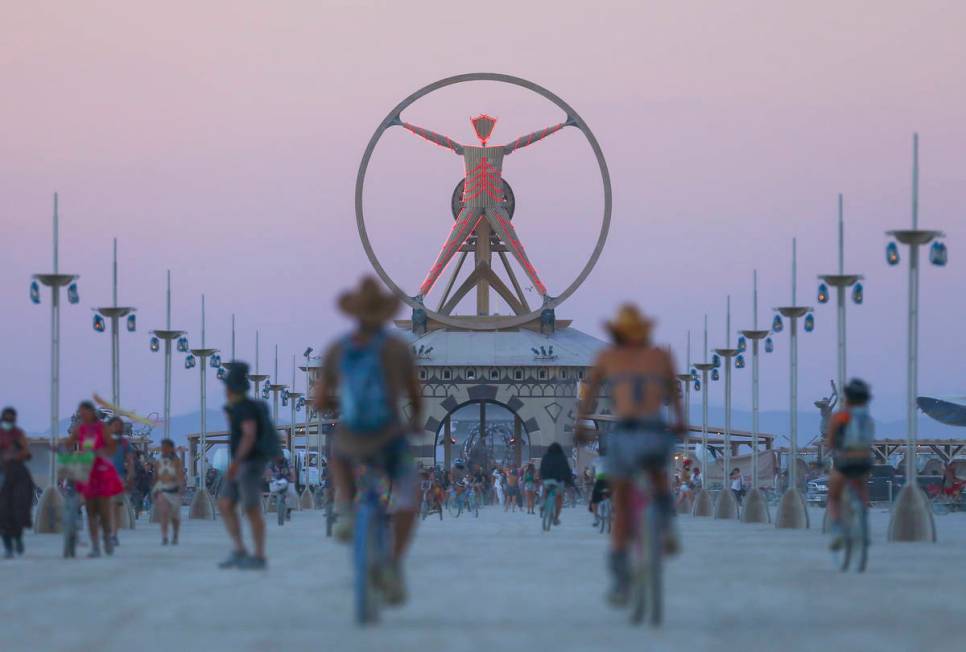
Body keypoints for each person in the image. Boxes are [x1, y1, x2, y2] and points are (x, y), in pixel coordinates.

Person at [312, 276, 422, 606]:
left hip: (351, 437)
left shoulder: (338, 349)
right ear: (385, 314)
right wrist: (415, 420)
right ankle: (392, 564)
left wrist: (333, 407)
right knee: (407, 497)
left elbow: (319, 399)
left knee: (338, 457)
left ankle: (346, 507)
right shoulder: (397, 348)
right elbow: (416, 395)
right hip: (389, 437)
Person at [576, 304, 686, 606]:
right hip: (653, 431)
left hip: (624, 434)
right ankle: (666, 523)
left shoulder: (608, 357)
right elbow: (674, 394)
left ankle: (620, 579)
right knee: (659, 475)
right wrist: (680, 422)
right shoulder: (660, 356)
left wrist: (580, 425)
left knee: (622, 508)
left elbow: (588, 395)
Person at [218, 361, 276, 570]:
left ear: (231, 388)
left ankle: (259, 556)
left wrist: (237, 462)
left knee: (251, 508)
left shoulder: (245, 408)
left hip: (249, 464)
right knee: (225, 503)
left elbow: (249, 435)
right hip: (241, 464)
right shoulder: (236, 408)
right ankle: (240, 549)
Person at [64, 401, 124, 557]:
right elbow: (69, 443)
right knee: (90, 512)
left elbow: (111, 447)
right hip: (87, 473)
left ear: (91, 412)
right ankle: (96, 545)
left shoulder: (102, 428)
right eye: (80, 413)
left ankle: (106, 537)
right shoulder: (80, 429)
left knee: (103, 512)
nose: (81, 415)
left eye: (84, 412)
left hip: (101, 472)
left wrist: (101, 454)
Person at [826, 378, 874, 550]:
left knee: (833, 496)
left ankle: (838, 529)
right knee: (861, 486)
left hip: (846, 461)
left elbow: (831, 442)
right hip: (865, 461)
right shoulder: (867, 418)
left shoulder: (840, 416)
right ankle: (863, 520)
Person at [0, 407, 35, 558]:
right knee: (2, 512)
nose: (9, 421)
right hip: (2, 474)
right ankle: (8, 545)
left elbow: (26, 453)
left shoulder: (19, 434)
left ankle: (18, 538)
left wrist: (16, 454)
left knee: (19, 508)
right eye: (6, 419)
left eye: (11, 419)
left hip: (18, 474)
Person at [107, 417, 134, 547]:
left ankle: (113, 534)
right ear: (110, 426)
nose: (118, 428)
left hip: (118, 479)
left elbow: (130, 461)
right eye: (116, 425)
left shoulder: (124, 443)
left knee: (113, 507)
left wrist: (130, 476)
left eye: (120, 425)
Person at [152, 438, 184, 545]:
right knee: (164, 513)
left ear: (171, 448)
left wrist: (181, 488)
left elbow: (180, 476)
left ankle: (175, 534)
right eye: (162, 447)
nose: (164, 449)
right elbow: (156, 477)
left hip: (174, 490)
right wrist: (154, 491)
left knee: (175, 516)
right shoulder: (158, 462)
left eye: (166, 447)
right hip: (162, 490)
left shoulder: (177, 461)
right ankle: (164, 536)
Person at [539, 443, 573, 525]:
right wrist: (569, 480)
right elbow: (566, 470)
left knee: (546, 491)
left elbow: (542, 468)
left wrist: (542, 478)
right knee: (559, 497)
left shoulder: (545, 457)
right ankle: (556, 518)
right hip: (558, 481)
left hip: (547, 480)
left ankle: (543, 502)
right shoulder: (562, 457)